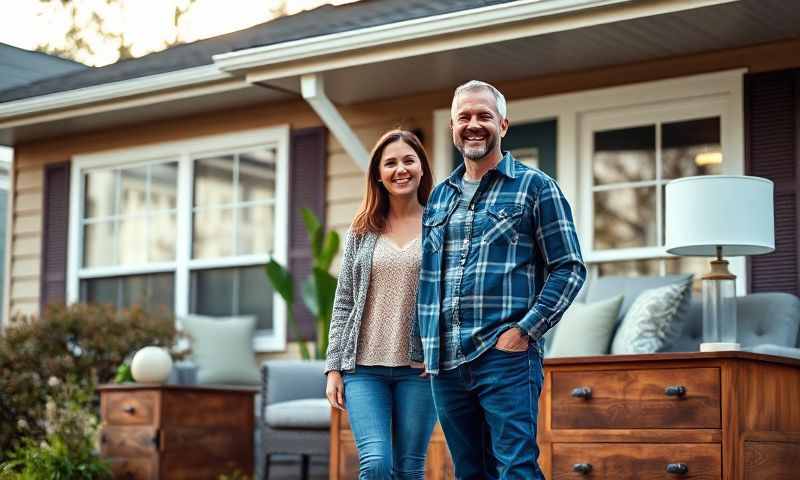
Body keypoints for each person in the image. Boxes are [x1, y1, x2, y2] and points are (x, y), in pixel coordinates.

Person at [415, 80, 587, 479]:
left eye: (484, 116)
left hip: (505, 357)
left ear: (503, 126)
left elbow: (570, 268)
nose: (473, 124)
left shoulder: (535, 187)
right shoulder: (440, 196)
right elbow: (428, 278)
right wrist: (423, 345)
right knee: (470, 471)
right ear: (453, 128)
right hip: (448, 363)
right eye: (464, 117)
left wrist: (524, 332)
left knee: (516, 469)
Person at [325, 129, 437, 480]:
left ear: (421, 169)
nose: (400, 169)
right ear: (378, 174)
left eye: (408, 160)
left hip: (418, 369)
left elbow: (452, 299)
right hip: (362, 369)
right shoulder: (362, 231)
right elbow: (344, 301)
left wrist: (439, 351)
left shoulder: (440, 225)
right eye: (390, 163)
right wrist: (333, 368)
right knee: (375, 462)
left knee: (409, 468)